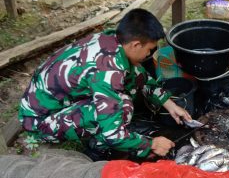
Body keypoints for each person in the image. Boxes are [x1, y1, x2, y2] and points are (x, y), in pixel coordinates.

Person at [18, 8, 192, 160]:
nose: (149, 55)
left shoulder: (111, 40)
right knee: (123, 106)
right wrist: (151, 144)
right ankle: (97, 149)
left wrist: (169, 104)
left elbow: (141, 78)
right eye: (149, 50)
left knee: (134, 74)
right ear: (136, 44)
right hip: (39, 122)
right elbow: (112, 134)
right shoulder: (108, 72)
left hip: (53, 103)